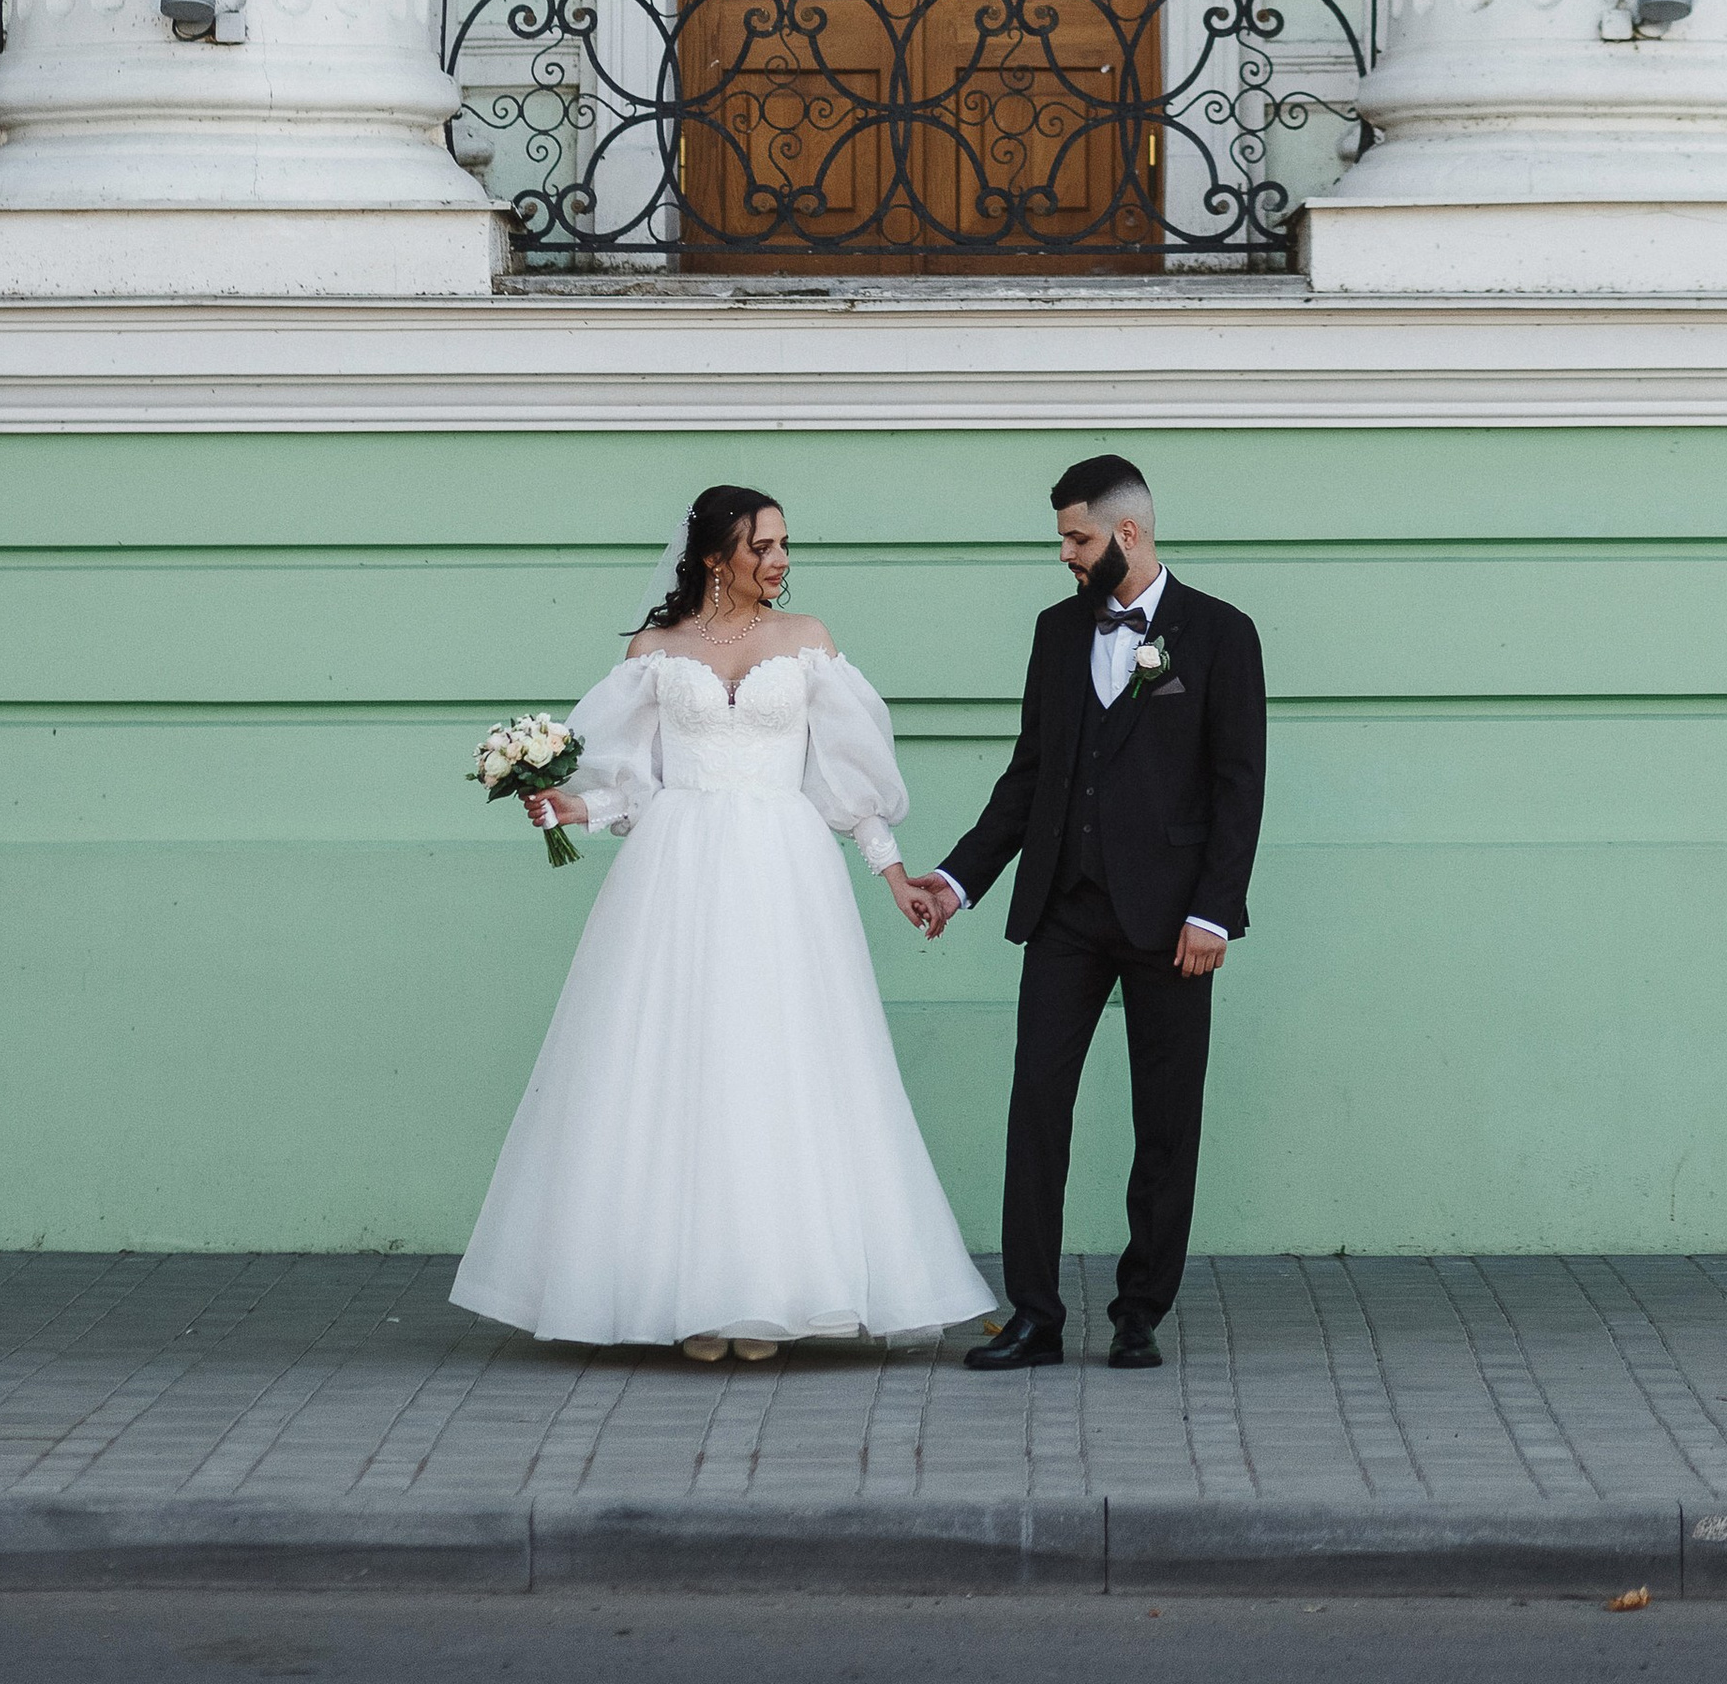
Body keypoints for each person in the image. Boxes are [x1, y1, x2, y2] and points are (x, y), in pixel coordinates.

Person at [451, 485, 992, 1361]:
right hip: (678, 867)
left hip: (786, 871)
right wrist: (565, 808)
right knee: (682, 1065)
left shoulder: (809, 642)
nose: (779, 561)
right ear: (714, 557)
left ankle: (773, 1294)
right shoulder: (655, 651)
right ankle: (693, 1297)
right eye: (761, 547)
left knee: (780, 1066)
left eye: (784, 545)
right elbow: (627, 782)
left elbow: (846, 782)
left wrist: (893, 874)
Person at [909, 456, 1266, 1373]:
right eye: (1065, 539)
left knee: (1166, 1121)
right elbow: (1032, 772)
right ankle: (1033, 1313)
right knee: (1037, 1111)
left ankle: (1140, 1310)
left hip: (1175, 922)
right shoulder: (1057, 632)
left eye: (1078, 539)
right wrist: (957, 879)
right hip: (1066, 909)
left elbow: (1238, 788)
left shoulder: (1221, 635)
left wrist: (1215, 915)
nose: (1066, 555)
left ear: (1129, 536)